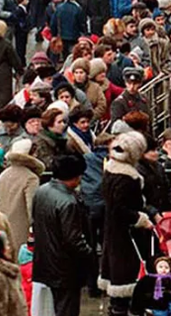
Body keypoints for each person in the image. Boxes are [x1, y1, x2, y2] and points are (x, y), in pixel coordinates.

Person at [32, 155, 94, 316]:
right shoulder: (68, 202)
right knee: (67, 308)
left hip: (46, 260)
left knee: (57, 306)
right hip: (65, 267)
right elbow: (73, 239)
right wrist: (89, 254)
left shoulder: (41, 191)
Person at [100, 131, 153, 316]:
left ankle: (117, 309)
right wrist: (140, 219)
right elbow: (120, 209)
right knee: (125, 279)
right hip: (126, 234)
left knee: (118, 278)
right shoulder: (127, 177)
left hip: (114, 231)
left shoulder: (110, 169)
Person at [0, 138, 43, 253]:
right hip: (22, 230)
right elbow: (32, 209)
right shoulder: (31, 178)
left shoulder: (3, 174)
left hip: (2, 227)